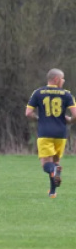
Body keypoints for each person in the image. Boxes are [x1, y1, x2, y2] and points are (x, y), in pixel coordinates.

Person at [25, 68, 76, 198]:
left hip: (45, 132)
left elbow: (28, 113)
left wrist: (38, 118)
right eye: (62, 79)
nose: (63, 81)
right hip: (61, 133)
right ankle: (52, 192)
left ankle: (53, 172)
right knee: (55, 162)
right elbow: (75, 115)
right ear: (56, 79)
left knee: (46, 165)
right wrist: (70, 120)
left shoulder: (38, 92)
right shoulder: (67, 94)